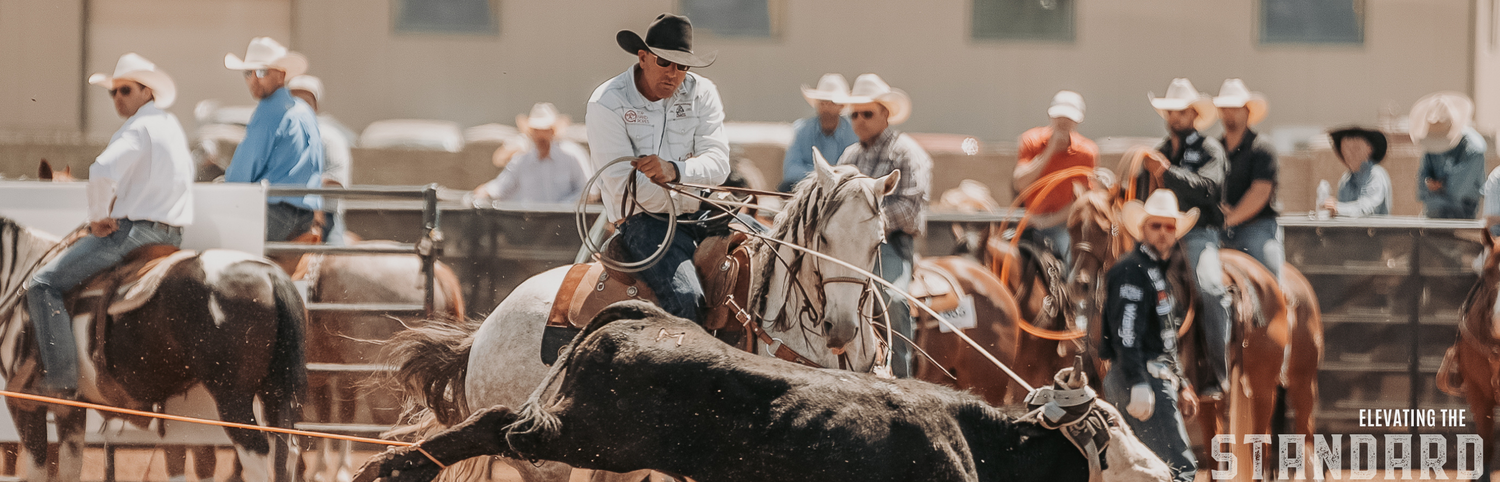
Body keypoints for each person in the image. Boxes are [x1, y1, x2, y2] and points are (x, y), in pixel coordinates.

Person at [27, 53, 195, 398]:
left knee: (42, 284)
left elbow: (102, 169)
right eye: (113, 92)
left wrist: (98, 216)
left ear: (147, 92)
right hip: (172, 234)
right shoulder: (170, 125)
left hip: (136, 234)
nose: (118, 98)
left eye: (125, 90)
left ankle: (60, 381)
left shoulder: (136, 127)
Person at [585, 13, 729, 324]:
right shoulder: (607, 103)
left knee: (775, 256)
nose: (674, 75)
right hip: (645, 224)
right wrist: (692, 179)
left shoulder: (701, 93)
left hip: (701, 212)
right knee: (687, 299)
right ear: (644, 57)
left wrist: (675, 171)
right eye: (665, 62)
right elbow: (624, 191)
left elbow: (719, 163)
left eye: (683, 66)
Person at [836, 73, 932, 378]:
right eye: (854, 114)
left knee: (893, 297)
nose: (859, 120)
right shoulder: (850, 155)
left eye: (868, 113)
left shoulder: (907, 152)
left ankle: (903, 378)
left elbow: (910, 210)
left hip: (891, 245)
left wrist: (862, 222)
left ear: (886, 115)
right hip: (849, 246)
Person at [1139, 78, 1229, 397]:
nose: (1173, 118)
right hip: (1158, 236)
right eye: (1169, 112)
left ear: (1193, 115)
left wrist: (1166, 172)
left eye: (1180, 112)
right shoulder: (1158, 152)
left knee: (1210, 289)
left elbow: (1209, 190)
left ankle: (1218, 374)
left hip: (1198, 233)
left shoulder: (1209, 149)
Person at [1103, 189, 1200, 482]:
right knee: (1179, 471)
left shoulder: (1154, 271)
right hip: (1140, 378)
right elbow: (1127, 332)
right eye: (1155, 225)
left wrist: (1181, 382)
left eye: (1169, 226)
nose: (1162, 233)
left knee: (1145, 473)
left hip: (1150, 376)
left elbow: (1166, 338)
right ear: (1143, 229)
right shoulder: (1133, 270)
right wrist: (1136, 382)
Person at [223, 37, 324, 242]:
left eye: (261, 72)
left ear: (281, 74)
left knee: (215, 242)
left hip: (274, 213)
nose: (253, 79)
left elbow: (241, 173)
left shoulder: (269, 110)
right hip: (305, 215)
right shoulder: (304, 110)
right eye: (247, 73)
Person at [1011, 90, 1097, 263]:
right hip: (1027, 221)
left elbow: (1081, 200)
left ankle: (1068, 287)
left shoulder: (1086, 153)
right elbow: (1020, 182)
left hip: (1062, 224)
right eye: (1059, 116)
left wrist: (1045, 221)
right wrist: (1049, 150)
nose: (1063, 122)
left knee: (1066, 256)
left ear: (1077, 121)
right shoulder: (1031, 141)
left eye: (1069, 118)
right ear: (1051, 116)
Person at [1213, 79, 1282, 279]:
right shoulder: (1214, 150)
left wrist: (1228, 218)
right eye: (1225, 108)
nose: (1229, 114)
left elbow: (1260, 192)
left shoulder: (1262, 148)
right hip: (1220, 226)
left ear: (1248, 112)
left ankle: (1279, 307)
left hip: (1256, 226)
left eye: (1235, 108)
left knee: (1267, 270)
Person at [474, 102, 589, 204]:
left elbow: (587, 190)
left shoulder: (571, 155)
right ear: (531, 133)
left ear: (552, 131)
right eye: (537, 131)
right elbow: (502, 186)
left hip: (566, 221)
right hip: (533, 223)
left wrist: (563, 207)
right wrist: (485, 191)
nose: (541, 136)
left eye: (545, 130)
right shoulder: (522, 160)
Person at [287, 74, 354, 245]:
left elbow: (337, 181)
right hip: (288, 214)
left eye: (305, 102)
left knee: (335, 258)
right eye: (294, 101)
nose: (299, 107)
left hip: (327, 216)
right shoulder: (284, 137)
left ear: (315, 106)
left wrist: (300, 181)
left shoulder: (330, 139)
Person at [1412, 92, 1485, 220]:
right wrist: (1429, 184)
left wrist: (1436, 187)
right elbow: (1421, 188)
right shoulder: (1430, 145)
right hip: (1432, 214)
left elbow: (1457, 192)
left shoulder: (1474, 149)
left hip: (1463, 215)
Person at [780, 74, 857, 192]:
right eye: (822, 103)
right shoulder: (801, 129)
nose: (826, 108)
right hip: (807, 188)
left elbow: (856, 169)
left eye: (831, 103)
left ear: (841, 106)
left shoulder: (853, 132)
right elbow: (790, 170)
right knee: (786, 187)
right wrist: (822, 176)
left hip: (841, 191)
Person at [1323, 127, 1392, 218]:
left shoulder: (1376, 175)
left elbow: (1367, 208)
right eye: (1346, 149)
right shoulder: (1346, 180)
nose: (1350, 154)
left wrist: (1338, 208)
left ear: (1369, 149)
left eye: (1356, 149)